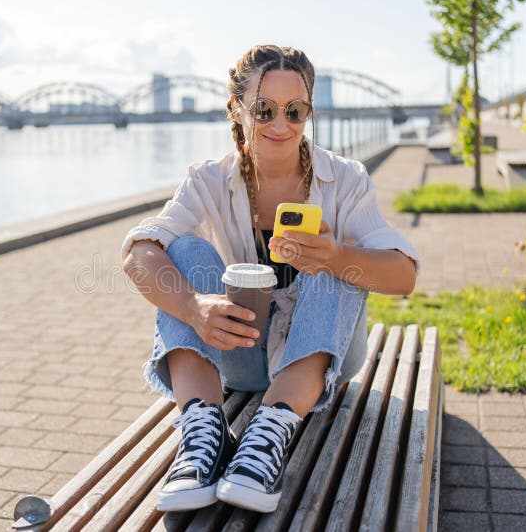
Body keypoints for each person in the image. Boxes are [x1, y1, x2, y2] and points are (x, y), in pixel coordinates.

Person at [120, 45, 419, 514]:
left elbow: (404, 277)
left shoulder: (346, 179)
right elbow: (138, 253)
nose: (281, 125)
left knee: (337, 265)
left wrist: (338, 255)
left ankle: (269, 435)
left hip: (323, 358)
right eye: (264, 109)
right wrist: (193, 308)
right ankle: (202, 432)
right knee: (181, 251)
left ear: (308, 113)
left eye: (295, 111)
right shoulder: (207, 180)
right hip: (238, 354)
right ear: (235, 111)